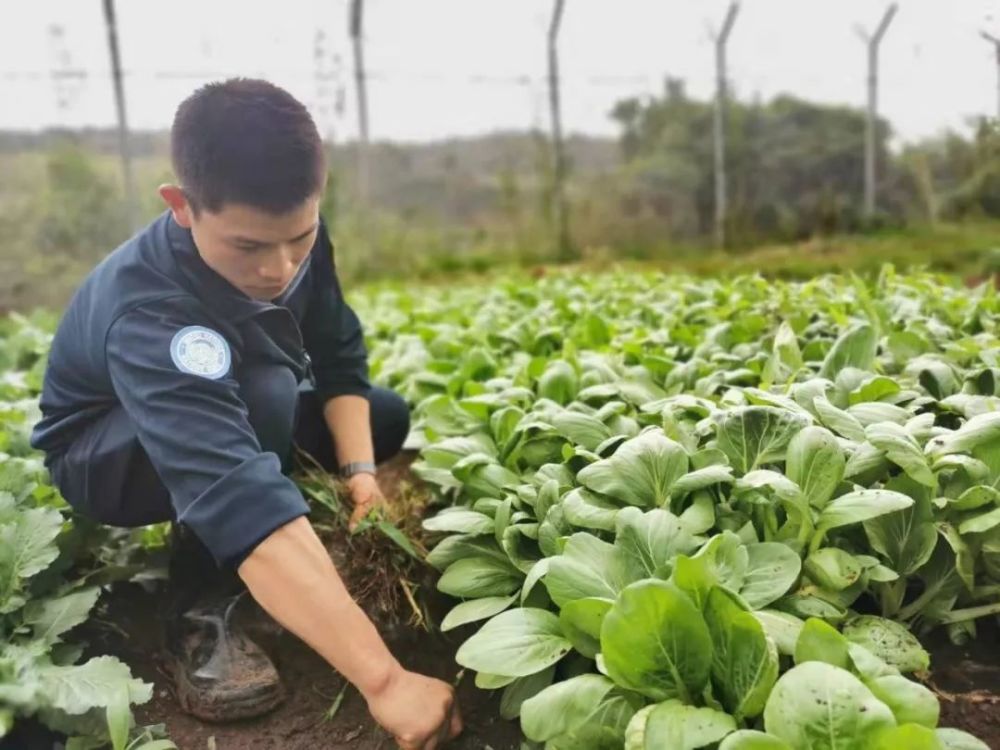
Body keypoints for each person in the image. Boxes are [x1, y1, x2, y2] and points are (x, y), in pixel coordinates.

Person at [30, 78, 461, 750]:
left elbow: (339, 356)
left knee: (382, 416)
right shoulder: (150, 311)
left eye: (299, 237)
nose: (280, 267)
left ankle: (279, 525)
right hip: (106, 456)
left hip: (232, 408)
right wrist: (385, 682)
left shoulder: (297, 241)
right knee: (262, 392)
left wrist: (361, 476)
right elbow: (231, 486)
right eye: (249, 247)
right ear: (182, 207)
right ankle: (205, 599)